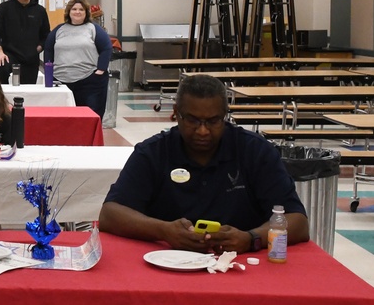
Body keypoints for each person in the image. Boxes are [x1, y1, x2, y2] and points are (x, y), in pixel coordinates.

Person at [98, 74, 309, 255]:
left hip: (242, 267)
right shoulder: (153, 153)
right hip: (168, 265)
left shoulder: (255, 151)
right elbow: (110, 214)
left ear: (225, 117)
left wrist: (251, 238)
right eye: (192, 120)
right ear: (176, 114)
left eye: (213, 121)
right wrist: (163, 231)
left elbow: (298, 222)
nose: (202, 131)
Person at [43, 0, 113, 117]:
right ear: (69, 12)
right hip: (61, 81)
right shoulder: (59, 30)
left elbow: (106, 48)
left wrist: (101, 70)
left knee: (89, 117)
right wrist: (49, 72)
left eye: (81, 9)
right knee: (62, 118)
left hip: (88, 81)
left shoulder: (93, 29)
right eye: (74, 9)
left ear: (86, 13)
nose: (77, 12)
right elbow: (48, 49)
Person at [0, 0, 50, 85]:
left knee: (27, 90)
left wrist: (38, 48)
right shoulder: (4, 8)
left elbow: (46, 34)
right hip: (9, 54)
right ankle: (2, 99)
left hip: (30, 56)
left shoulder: (40, 10)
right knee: (0, 66)